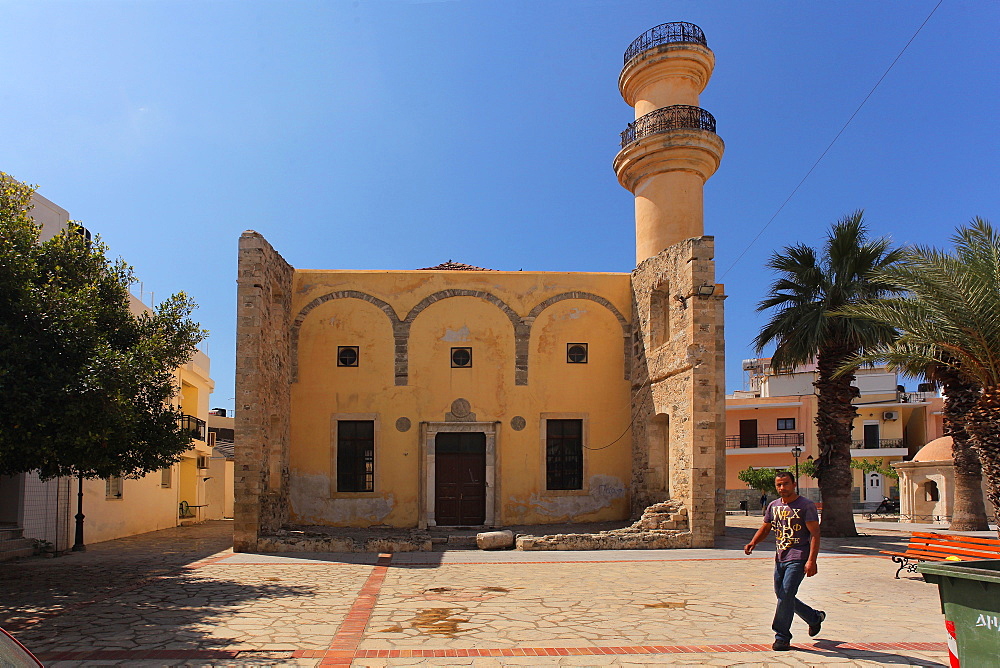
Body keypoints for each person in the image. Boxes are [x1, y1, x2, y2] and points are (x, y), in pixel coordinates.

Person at [744, 471, 825, 651]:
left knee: (786, 594)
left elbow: (815, 534)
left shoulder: (806, 505)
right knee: (783, 596)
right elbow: (765, 528)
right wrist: (753, 542)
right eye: (779, 485)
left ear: (794, 484)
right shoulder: (773, 506)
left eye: (786, 484)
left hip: (799, 557)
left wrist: (812, 561)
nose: (782, 488)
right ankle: (814, 617)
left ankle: (782, 636)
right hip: (780, 557)